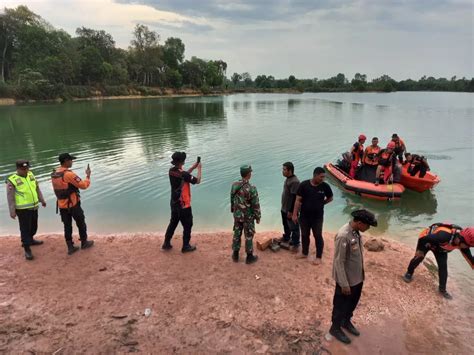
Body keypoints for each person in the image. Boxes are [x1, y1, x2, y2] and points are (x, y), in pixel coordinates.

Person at [330, 209, 378, 344]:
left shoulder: (356, 232)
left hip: (357, 277)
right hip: (346, 280)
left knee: (352, 302)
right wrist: (344, 284)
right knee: (340, 305)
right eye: (367, 226)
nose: (368, 228)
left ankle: (346, 321)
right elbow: (339, 262)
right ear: (359, 222)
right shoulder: (343, 236)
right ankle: (335, 328)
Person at [402, 223, 473, 299]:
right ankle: (409, 273)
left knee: (443, 267)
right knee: (419, 257)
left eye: (469, 246)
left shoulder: (463, 243)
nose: (467, 247)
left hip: (440, 249)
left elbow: (471, 260)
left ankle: (442, 290)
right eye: (467, 245)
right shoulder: (444, 236)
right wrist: (420, 251)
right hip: (427, 241)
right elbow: (424, 239)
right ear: (460, 239)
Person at [51, 153, 94, 255]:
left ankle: (70, 246)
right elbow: (83, 185)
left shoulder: (54, 173)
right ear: (66, 161)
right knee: (81, 223)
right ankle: (84, 242)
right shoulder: (69, 174)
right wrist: (88, 176)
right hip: (73, 204)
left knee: (67, 225)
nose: (72, 162)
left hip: (61, 205)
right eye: (71, 160)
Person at [6, 160, 47, 260]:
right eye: (23, 169)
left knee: (34, 226)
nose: (26, 170)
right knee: (25, 229)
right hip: (22, 209)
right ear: (18, 169)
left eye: (27, 168)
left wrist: (42, 200)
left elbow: (37, 188)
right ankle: (27, 249)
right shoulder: (12, 180)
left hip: (34, 206)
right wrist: (12, 211)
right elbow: (10, 197)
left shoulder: (31, 175)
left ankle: (31, 239)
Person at [292, 167, 333, 264]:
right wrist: (294, 214)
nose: (323, 179)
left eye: (324, 177)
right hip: (304, 216)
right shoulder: (304, 185)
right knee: (305, 235)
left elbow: (330, 198)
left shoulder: (325, 186)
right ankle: (304, 253)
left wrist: (322, 203)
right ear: (315, 175)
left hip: (317, 217)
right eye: (321, 177)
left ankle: (318, 257)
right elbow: (297, 200)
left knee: (318, 235)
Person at [162, 151, 201, 253]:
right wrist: (199, 169)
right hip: (183, 204)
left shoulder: (171, 171)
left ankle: (166, 243)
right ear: (181, 162)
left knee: (173, 223)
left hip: (174, 202)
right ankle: (186, 246)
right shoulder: (183, 174)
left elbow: (184, 175)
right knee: (188, 224)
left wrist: (193, 167)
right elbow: (198, 180)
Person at [231, 165, 261, 264]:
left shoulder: (234, 185)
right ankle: (249, 257)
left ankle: (235, 255)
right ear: (249, 174)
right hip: (248, 217)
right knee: (248, 235)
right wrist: (257, 217)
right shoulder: (252, 188)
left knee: (237, 233)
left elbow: (232, 199)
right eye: (250, 172)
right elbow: (255, 204)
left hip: (237, 215)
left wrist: (233, 211)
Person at [279, 162, 300, 251]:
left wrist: (291, 211)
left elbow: (295, 197)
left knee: (294, 227)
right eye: (283, 169)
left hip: (289, 209)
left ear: (290, 170)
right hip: (284, 208)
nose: (282, 171)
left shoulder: (294, 181)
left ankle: (296, 244)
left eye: (284, 169)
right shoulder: (288, 179)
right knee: (285, 224)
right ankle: (287, 237)